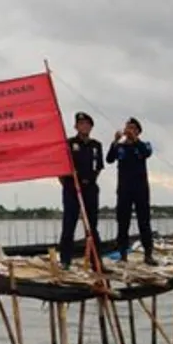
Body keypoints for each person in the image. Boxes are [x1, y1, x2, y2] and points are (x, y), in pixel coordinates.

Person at [106, 117, 157, 266]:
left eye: (133, 128)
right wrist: (115, 141)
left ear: (138, 131)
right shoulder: (120, 147)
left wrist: (135, 140)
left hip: (141, 189)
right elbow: (109, 159)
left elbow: (147, 153)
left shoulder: (144, 145)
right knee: (123, 222)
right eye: (128, 127)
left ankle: (148, 254)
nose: (129, 130)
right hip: (124, 189)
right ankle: (123, 255)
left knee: (144, 222)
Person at [57, 111, 105, 270]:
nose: (84, 126)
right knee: (69, 224)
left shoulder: (96, 145)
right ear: (76, 126)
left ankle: (96, 261)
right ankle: (65, 260)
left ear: (91, 127)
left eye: (87, 124)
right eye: (81, 124)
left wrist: (89, 180)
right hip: (72, 188)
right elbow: (60, 169)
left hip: (90, 188)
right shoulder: (69, 143)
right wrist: (68, 183)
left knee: (92, 226)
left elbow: (98, 168)